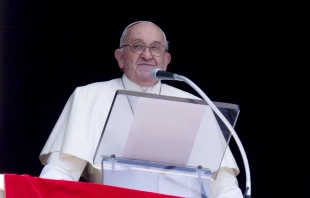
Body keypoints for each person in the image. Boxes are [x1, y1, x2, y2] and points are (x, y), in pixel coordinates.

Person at [39, 21, 243, 198]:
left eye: (155, 48)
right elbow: (61, 172)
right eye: (137, 46)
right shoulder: (89, 97)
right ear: (120, 57)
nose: (147, 55)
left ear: (166, 60)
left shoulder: (196, 104)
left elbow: (224, 187)